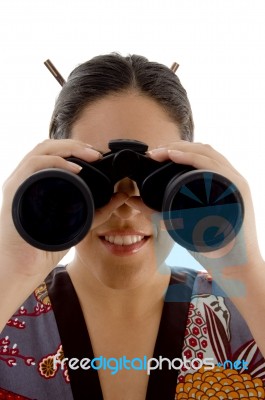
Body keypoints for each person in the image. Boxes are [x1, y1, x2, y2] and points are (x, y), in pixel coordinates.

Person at [0, 53, 264, 400]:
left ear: (189, 176)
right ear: (55, 173)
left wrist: (246, 271)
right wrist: (11, 271)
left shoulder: (248, 312)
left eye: (158, 178)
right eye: (94, 180)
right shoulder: (8, 307)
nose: (125, 206)